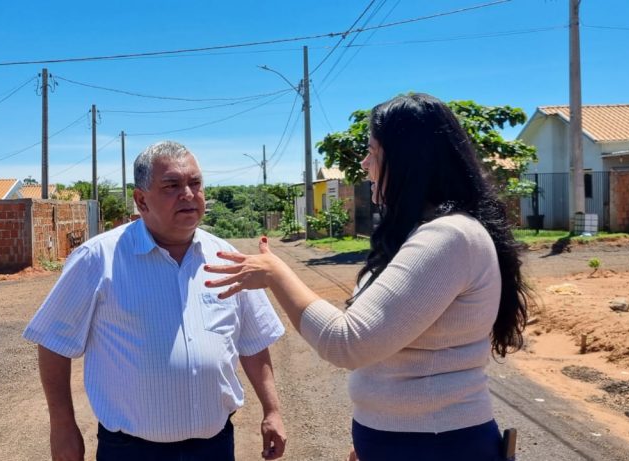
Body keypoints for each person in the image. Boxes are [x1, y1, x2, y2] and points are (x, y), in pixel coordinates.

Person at [205, 93, 529, 460]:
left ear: (408, 161)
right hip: (409, 440)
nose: (364, 163)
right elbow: (390, 344)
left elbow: (348, 343)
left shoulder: (450, 237)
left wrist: (277, 273)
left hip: (436, 443)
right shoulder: (424, 235)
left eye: (373, 152)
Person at [24, 141, 288, 461]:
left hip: (214, 447)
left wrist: (272, 410)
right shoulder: (97, 259)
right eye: (172, 186)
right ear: (141, 200)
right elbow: (53, 342)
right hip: (131, 451)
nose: (188, 195)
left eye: (195, 184)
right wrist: (63, 426)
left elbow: (253, 339)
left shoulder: (228, 258)